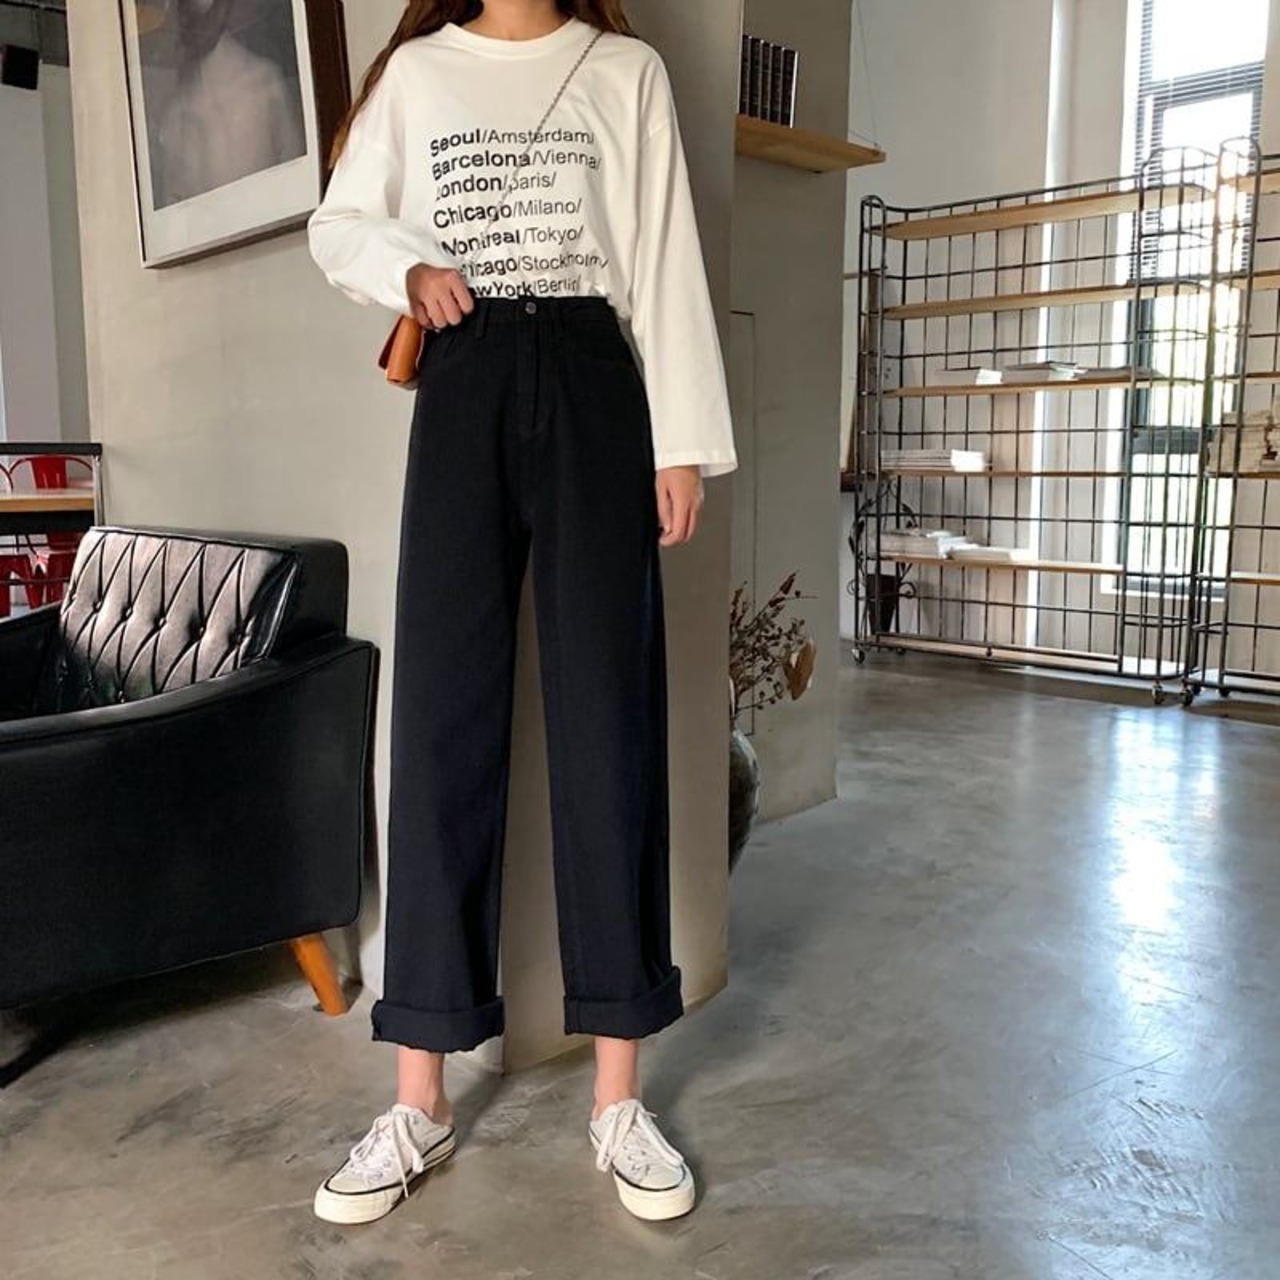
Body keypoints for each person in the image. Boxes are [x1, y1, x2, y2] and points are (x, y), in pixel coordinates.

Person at [305, 0, 737, 1227]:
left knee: (609, 719)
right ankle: (419, 1098)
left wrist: (680, 441)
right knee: (441, 715)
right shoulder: (418, 74)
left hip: (597, 376)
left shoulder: (623, 69)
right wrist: (408, 270)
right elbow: (339, 220)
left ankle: (617, 1095)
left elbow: (662, 253)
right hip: (466, 373)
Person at [151, 0, 306, 207]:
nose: (188, 26)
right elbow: (173, 207)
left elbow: (299, 180)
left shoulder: (266, 81)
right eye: (185, 17)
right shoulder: (175, 115)